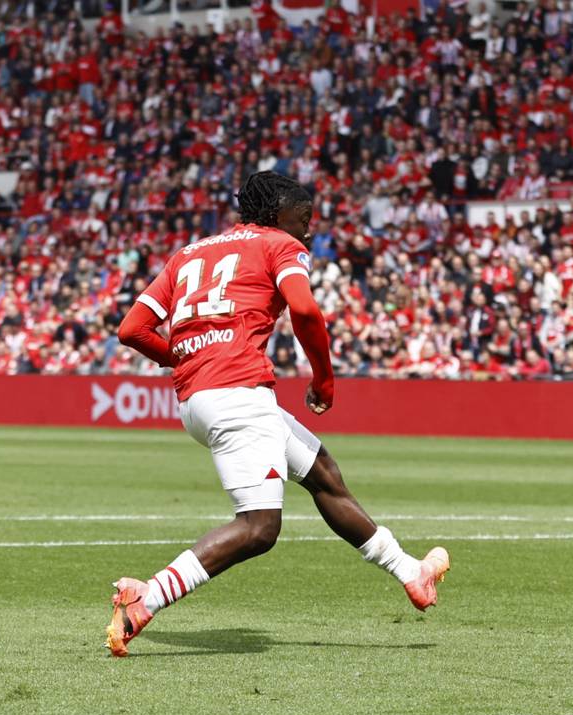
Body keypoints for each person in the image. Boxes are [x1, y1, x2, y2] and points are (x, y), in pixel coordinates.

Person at [106, 172, 450, 657]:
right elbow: (305, 311)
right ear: (277, 214)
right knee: (259, 528)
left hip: (199, 399)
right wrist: (324, 379)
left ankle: (410, 572)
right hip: (238, 394)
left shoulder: (188, 253)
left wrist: (180, 359)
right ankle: (148, 597)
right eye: (304, 219)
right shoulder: (278, 244)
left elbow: (131, 328)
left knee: (323, 474)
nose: (309, 231)